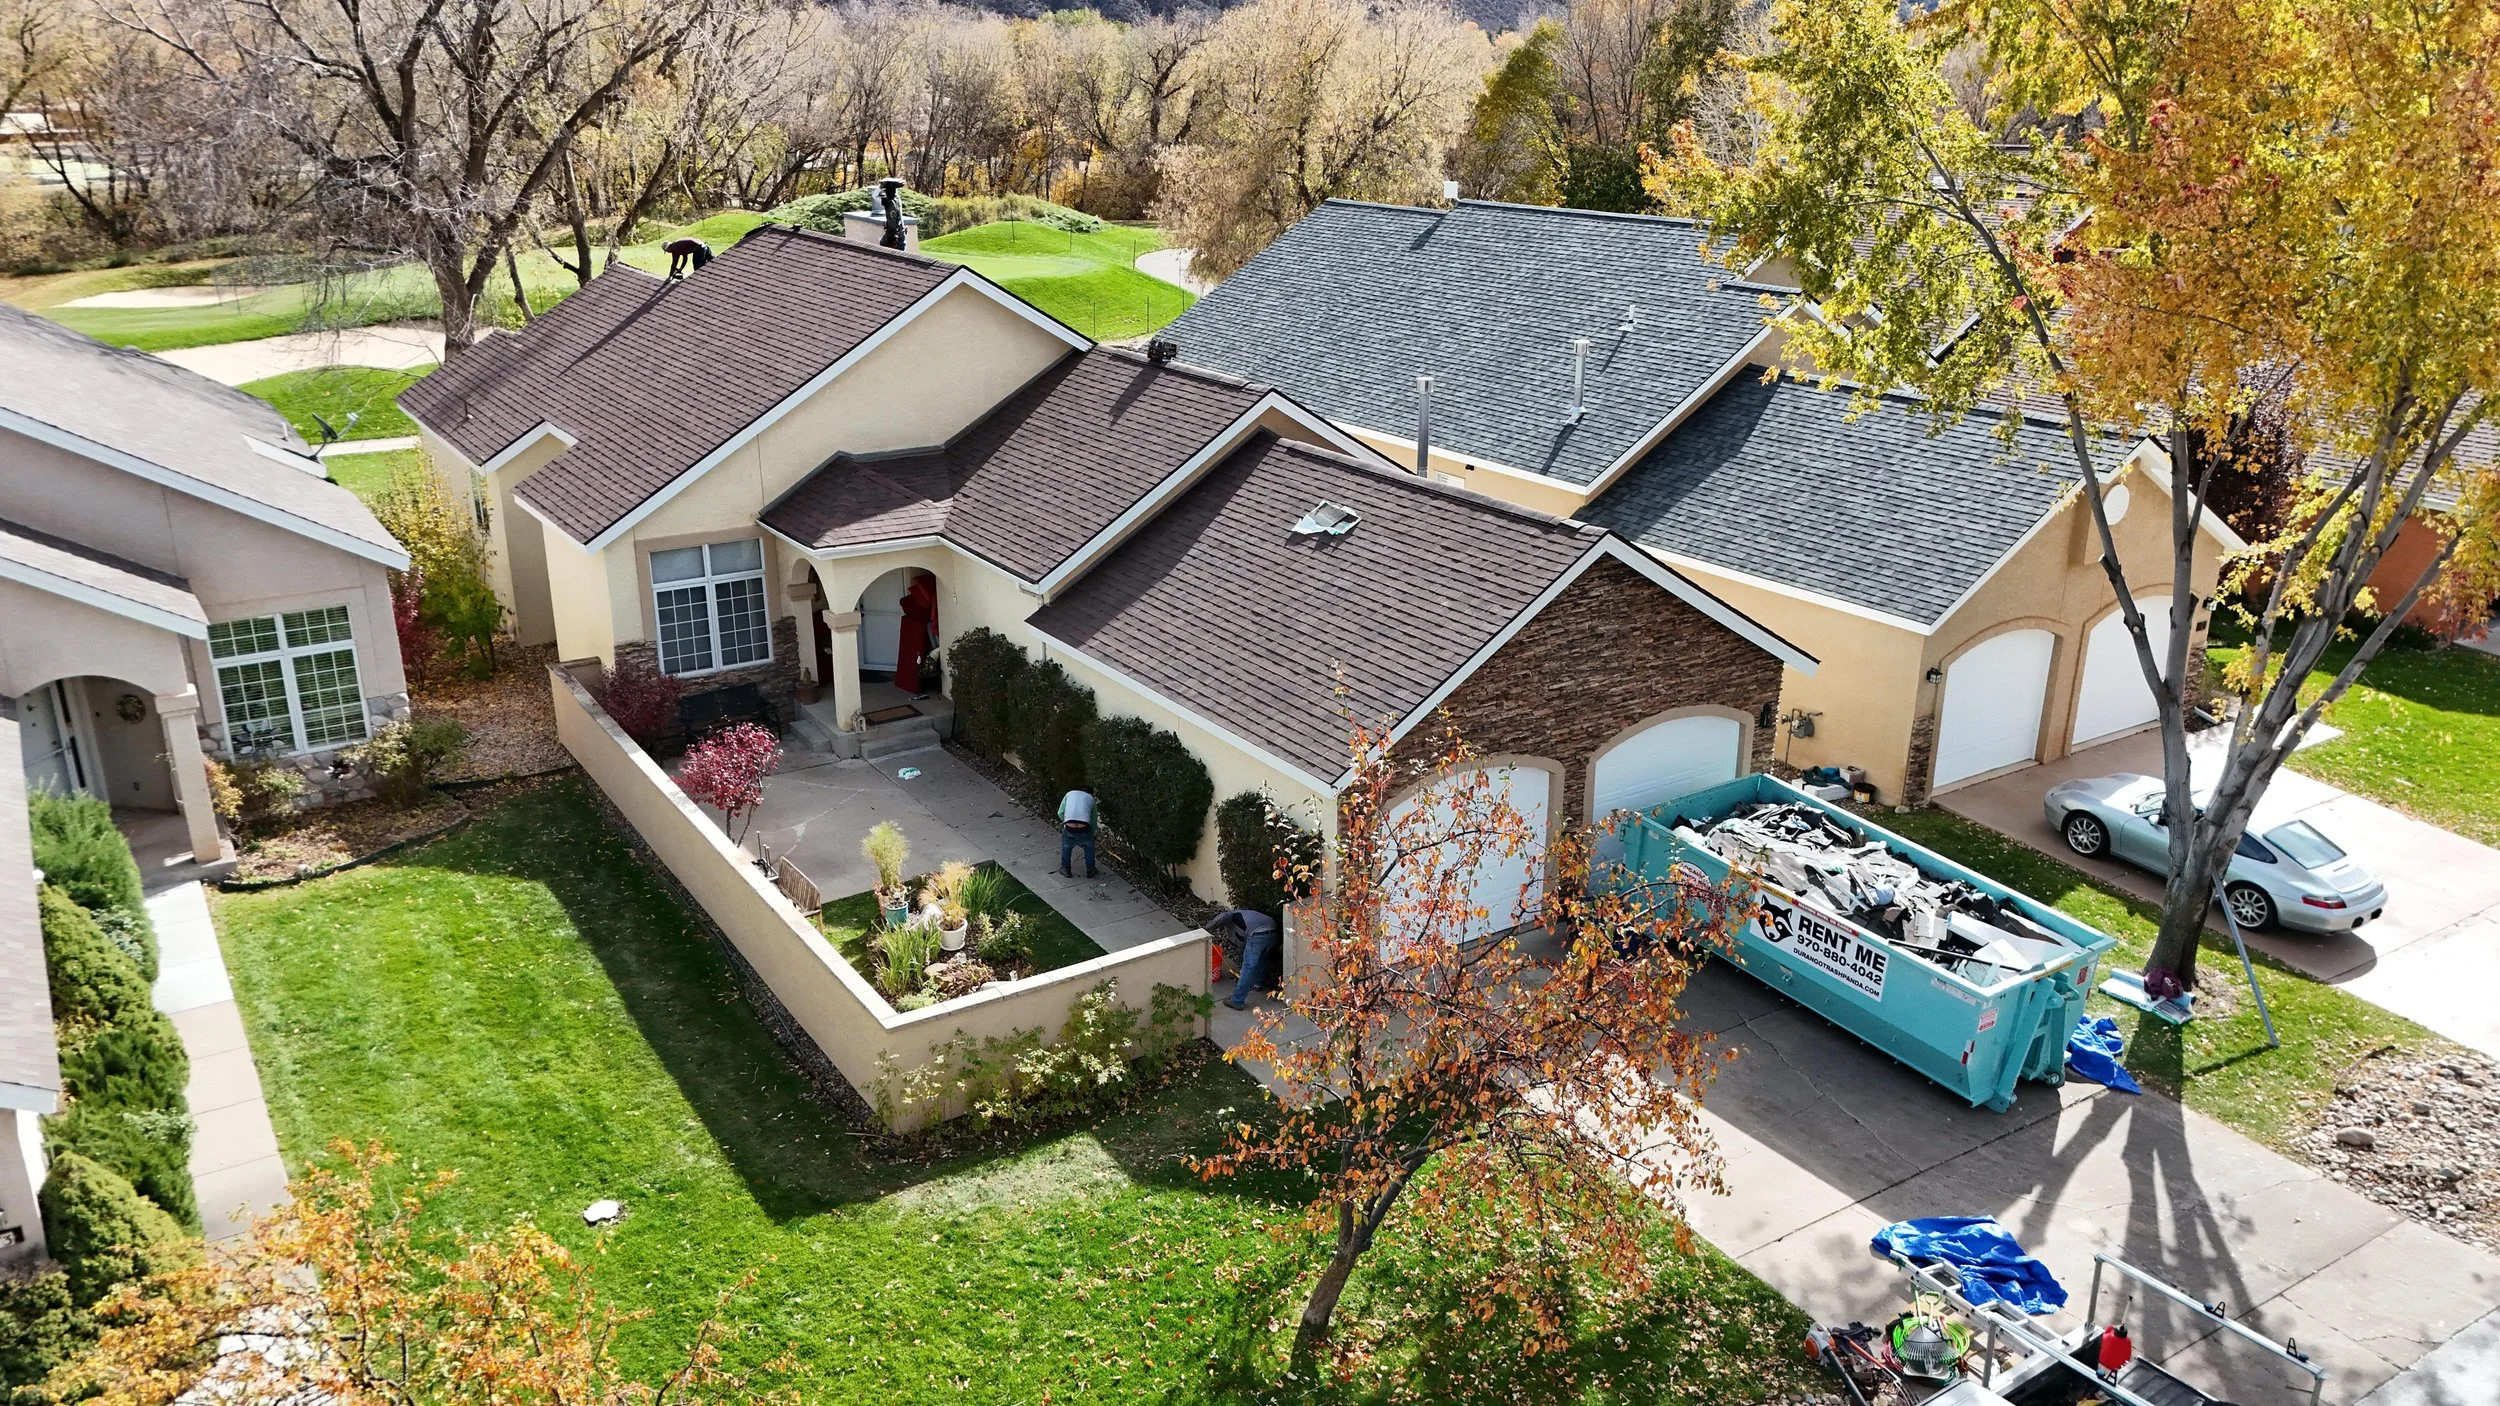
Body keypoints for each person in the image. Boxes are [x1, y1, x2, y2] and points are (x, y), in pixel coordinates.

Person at [1217, 908, 1279, 1011]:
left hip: (1258, 933)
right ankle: (1258, 983)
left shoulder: (1235, 917)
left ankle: (1237, 1001)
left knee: (1248, 966)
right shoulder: (1246, 913)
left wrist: (1207, 927)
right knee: (1262, 957)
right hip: (1272, 931)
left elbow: (1240, 937)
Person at [1057, 787, 1097, 878]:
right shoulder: (1091, 799)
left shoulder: (1069, 794)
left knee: (1066, 847)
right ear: (1091, 794)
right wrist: (1092, 833)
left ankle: (1065, 869)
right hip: (1084, 828)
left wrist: (1066, 822)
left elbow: (1060, 812)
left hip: (1070, 828)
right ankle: (1091, 870)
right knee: (1089, 848)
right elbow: (1094, 819)